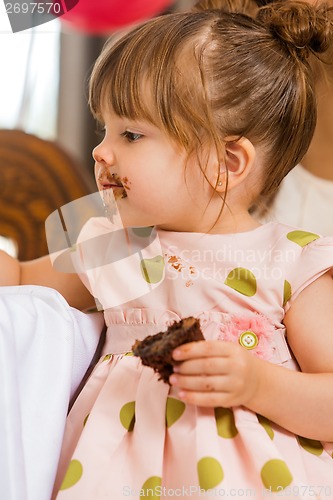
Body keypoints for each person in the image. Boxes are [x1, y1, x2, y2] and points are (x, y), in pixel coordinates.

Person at [2, 1, 333, 498]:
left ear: (227, 161)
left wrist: (258, 385)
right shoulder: (117, 245)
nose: (101, 151)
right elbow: (23, 281)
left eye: (131, 134)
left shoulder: (290, 260)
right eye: (105, 129)